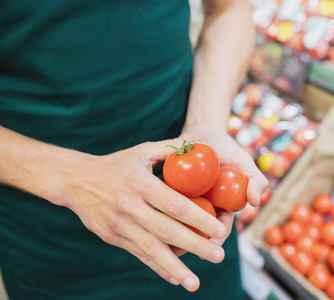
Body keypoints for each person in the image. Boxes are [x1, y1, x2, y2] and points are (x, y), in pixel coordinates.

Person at [0, 1, 268, 299]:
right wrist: (72, 179)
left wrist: (206, 126)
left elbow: (229, 10)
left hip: (190, 209)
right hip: (52, 234)